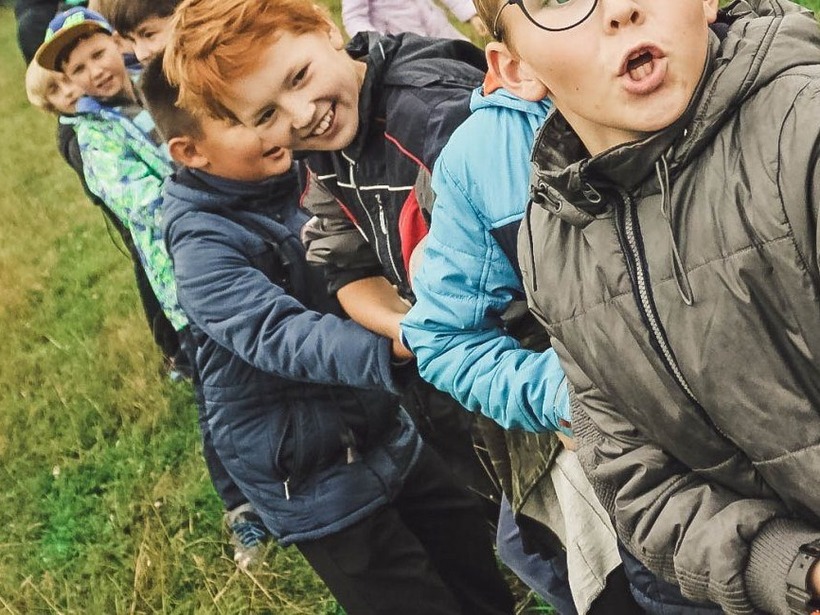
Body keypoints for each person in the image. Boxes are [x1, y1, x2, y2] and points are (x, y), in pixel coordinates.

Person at [140, 54, 515, 615]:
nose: (277, 125)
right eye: (247, 118)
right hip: (307, 474)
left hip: (384, 426)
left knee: (469, 557)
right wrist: (394, 342)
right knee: (406, 595)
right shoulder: (200, 244)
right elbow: (277, 332)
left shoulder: (307, 170)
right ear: (191, 152)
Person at [487, 0, 820, 612]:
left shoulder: (804, 135)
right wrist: (792, 570)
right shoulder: (549, 239)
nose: (620, 10)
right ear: (515, 70)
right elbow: (633, 475)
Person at [33, 6, 268, 568]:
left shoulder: (160, 89)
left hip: (247, 249)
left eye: (97, 54)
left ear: (119, 46)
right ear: (67, 83)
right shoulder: (94, 138)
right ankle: (241, 508)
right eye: (78, 68)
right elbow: (143, 204)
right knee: (220, 397)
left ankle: (297, 463)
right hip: (187, 283)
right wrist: (215, 190)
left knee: (270, 356)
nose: (94, 71)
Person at [400, 64, 641, 613]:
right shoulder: (480, 159)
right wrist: (564, 396)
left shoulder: (778, 85)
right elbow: (442, 335)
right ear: (512, 64)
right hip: (648, 487)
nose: (614, 13)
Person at [341, 0, 487, 42]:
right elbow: (354, 18)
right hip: (405, 48)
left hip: (441, 33)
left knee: (472, 64)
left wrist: (471, 14)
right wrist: (379, 42)